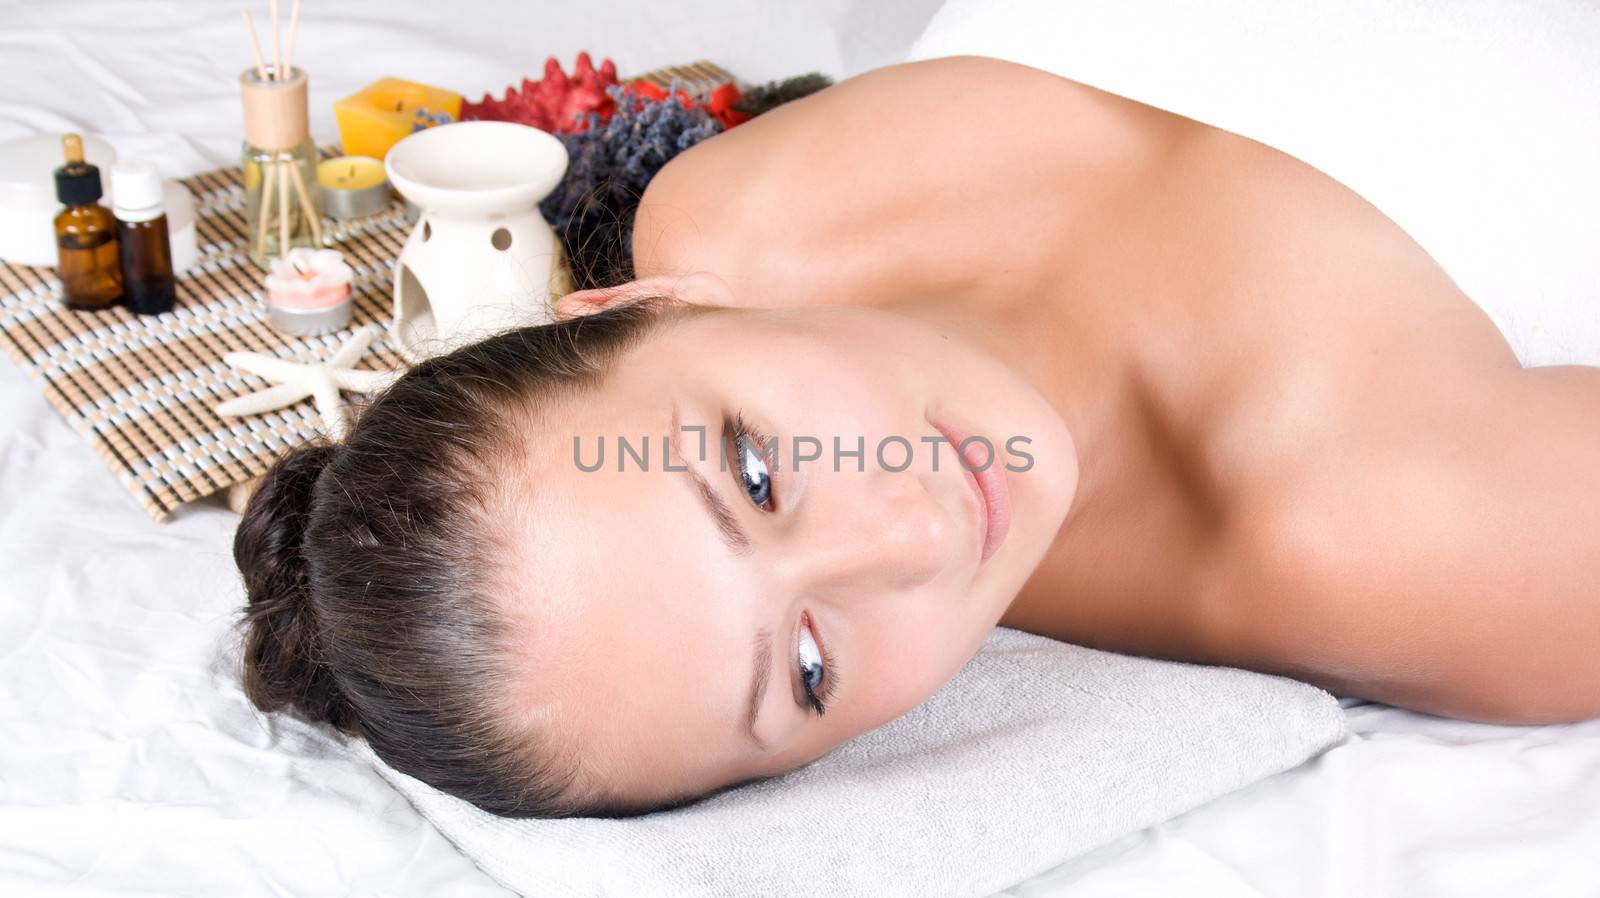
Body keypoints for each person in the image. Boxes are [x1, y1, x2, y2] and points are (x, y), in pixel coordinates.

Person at [233, 56, 1600, 818]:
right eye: (812, 669)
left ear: (644, 303)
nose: (913, 535)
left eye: (757, 470)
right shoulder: (1395, 541)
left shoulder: (732, 208)